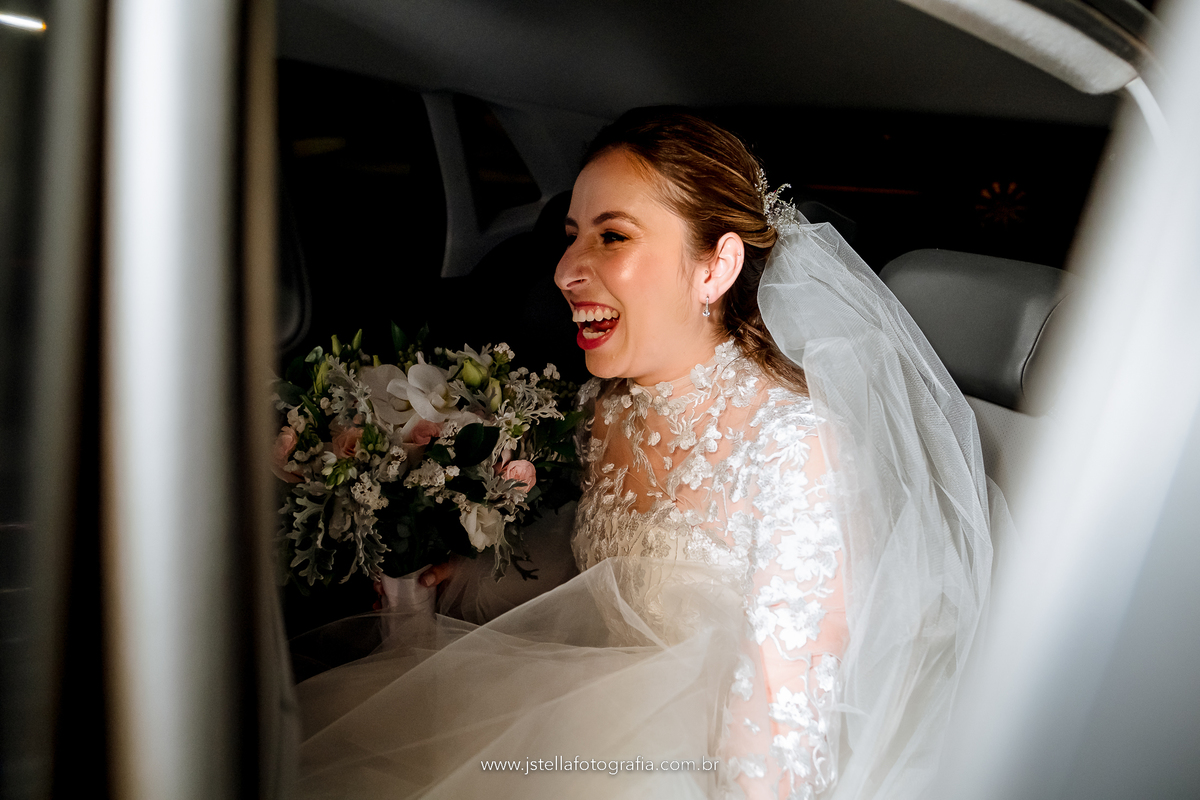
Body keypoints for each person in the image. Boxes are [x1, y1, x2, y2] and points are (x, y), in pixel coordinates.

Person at [293, 109, 997, 800]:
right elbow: (591, 564)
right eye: (572, 237)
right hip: (577, 713)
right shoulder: (608, 409)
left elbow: (786, 723)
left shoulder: (794, 445)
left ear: (715, 267)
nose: (567, 270)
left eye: (612, 236)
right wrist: (464, 579)